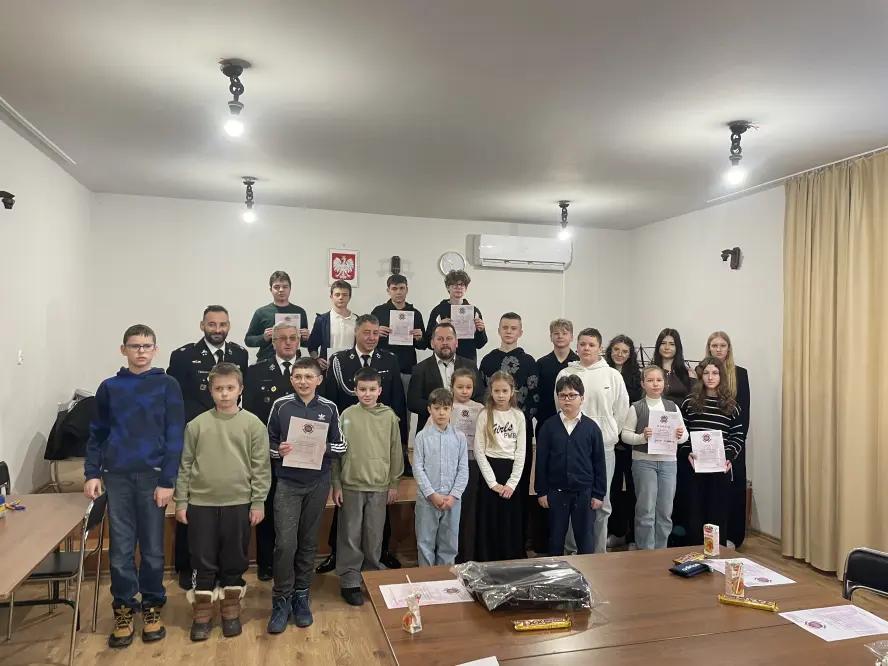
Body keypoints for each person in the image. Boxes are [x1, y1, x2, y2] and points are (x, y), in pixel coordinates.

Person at [83, 324, 184, 649]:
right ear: (123, 349)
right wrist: (92, 473)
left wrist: (168, 480)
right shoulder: (109, 387)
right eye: (134, 345)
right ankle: (124, 608)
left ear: (155, 350)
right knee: (121, 549)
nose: (141, 351)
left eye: (146, 345)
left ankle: (152, 605)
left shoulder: (167, 385)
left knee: (153, 549)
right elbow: (97, 433)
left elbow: (175, 435)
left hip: (153, 478)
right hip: (117, 477)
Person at [173, 363, 271, 641]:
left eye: (230, 388)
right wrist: (181, 502)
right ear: (210, 391)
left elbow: (261, 467)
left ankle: (230, 609)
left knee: (234, 557)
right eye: (219, 389)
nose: (225, 394)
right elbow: (185, 465)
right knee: (202, 557)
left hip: (238, 502)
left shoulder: (253, 424)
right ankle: (202, 612)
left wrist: (258, 502)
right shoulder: (196, 425)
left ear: (240, 389)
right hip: (201, 503)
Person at [316, 314, 405, 575]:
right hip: (349, 449)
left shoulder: (389, 360)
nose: (371, 337)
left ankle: (378, 556)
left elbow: (397, 400)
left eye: (376, 333)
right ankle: (339, 557)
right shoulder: (340, 360)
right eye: (366, 332)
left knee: (376, 523)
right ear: (356, 332)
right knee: (348, 522)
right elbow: (330, 400)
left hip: (378, 452)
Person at [167, 305, 249, 589]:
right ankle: (187, 567)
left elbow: (241, 394)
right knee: (194, 503)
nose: (218, 329)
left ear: (229, 326)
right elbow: (174, 399)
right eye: (212, 324)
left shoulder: (239, 354)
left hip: (228, 433)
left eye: (223, 324)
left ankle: (225, 571)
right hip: (197, 433)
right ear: (202, 326)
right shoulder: (183, 356)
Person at [266, 357, 346, 634]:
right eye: (298, 376)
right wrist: (279, 451)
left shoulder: (329, 407)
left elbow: (341, 445)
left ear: (318, 380)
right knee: (285, 544)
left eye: (308, 376)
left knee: (308, 543)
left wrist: (325, 448)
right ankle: (281, 599)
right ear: (291, 380)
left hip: (317, 483)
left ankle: (301, 596)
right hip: (288, 484)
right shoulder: (281, 405)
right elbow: (268, 442)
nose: (303, 381)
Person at [332, 367, 404, 606]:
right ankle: (349, 579)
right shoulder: (346, 415)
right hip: (351, 484)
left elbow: (395, 450)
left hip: (379, 485)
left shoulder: (389, 416)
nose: (367, 394)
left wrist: (394, 483)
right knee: (350, 534)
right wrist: (337, 483)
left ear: (380, 391)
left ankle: (372, 574)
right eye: (362, 389)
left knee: (374, 534)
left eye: (372, 389)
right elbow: (336, 452)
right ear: (355, 390)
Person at [555, 328, 630, 554]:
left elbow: (621, 410)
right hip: (572, 449)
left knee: (601, 503)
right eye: (583, 344)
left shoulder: (612, 376)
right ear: (576, 347)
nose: (586, 348)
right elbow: (560, 406)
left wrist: (609, 432)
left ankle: (598, 555)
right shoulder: (565, 373)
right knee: (571, 502)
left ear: (600, 348)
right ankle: (572, 553)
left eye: (591, 345)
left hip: (604, 448)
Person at [243, 323, 299, 581]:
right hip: (268, 452)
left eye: (293, 338)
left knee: (295, 511)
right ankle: (266, 562)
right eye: (282, 338)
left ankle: (294, 562)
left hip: (301, 454)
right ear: (273, 342)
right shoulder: (256, 372)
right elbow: (251, 415)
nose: (288, 342)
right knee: (267, 505)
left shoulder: (309, 370)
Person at [478, 312, 538, 545]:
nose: (509, 331)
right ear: (499, 330)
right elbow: (481, 394)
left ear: (520, 332)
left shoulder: (529, 362)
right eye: (505, 327)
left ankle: (517, 539)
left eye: (514, 328)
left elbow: (535, 397)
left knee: (518, 487)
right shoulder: (488, 360)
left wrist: (515, 419)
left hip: (519, 431)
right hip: (492, 432)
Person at [535, 374, 607, 556]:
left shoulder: (592, 428)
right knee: (555, 539)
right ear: (558, 398)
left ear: (581, 399)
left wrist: (598, 493)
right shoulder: (548, 427)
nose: (567, 399)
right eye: (563, 395)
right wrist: (541, 491)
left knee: (585, 539)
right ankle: (556, 572)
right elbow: (541, 461)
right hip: (556, 492)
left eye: (572, 395)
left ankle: (587, 571)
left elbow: (599, 462)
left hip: (584, 493)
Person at [620, 366, 688, 550]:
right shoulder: (636, 407)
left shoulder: (672, 407)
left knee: (665, 511)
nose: (655, 384)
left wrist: (680, 435)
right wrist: (642, 437)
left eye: (659, 380)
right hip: (644, 462)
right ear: (643, 384)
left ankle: (661, 550)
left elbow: (684, 436)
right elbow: (625, 435)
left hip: (668, 463)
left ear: (664, 383)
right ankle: (645, 552)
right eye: (650, 380)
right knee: (646, 509)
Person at [679, 357, 744, 547]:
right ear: (701, 376)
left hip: (719, 467)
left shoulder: (731, 406)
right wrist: (687, 451)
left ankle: (717, 552)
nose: (710, 377)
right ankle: (694, 550)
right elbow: (682, 432)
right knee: (695, 512)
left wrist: (729, 457)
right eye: (706, 373)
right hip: (695, 467)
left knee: (718, 513)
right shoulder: (689, 403)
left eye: (715, 373)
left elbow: (737, 436)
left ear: (721, 376)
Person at [532, 318, 579, 553]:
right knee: (547, 478)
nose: (560, 336)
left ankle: (571, 542)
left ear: (571, 336)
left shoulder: (577, 363)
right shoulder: (542, 363)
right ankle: (545, 541)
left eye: (564, 332)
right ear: (550, 336)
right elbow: (537, 396)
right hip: (547, 426)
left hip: (572, 428)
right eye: (556, 333)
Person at [413, 388, 470, 566]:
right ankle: (426, 577)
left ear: (452, 409)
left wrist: (454, 496)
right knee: (425, 543)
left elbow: (463, 469)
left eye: (445, 408)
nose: (441, 413)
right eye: (437, 408)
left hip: (452, 500)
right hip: (428, 499)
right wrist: (432, 494)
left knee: (449, 544)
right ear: (429, 409)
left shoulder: (460, 438)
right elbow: (418, 468)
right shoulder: (421, 437)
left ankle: (445, 578)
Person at [474, 371, 526, 561]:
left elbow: (521, 452)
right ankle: (489, 558)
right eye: (497, 391)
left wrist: (511, 483)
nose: (501, 395)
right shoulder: (484, 415)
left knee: (508, 520)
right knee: (490, 519)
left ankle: (509, 558)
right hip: (490, 472)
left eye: (505, 391)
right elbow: (479, 450)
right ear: (491, 391)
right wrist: (492, 483)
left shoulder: (518, 416)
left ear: (512, 391)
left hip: (510, 473)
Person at [706, 331, 750, 547]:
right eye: (714, 345)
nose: (718, 349)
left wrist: (735, 446)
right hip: (708, 444)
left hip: (732, 441)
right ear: (709, 348)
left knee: (734, 487)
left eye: (722, 345)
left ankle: (733, 536)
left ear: (728, 348)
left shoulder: (740, 374)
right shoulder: (703, 372)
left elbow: (744, 413)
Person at [605, 334, 643, 549]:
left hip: (630, 440)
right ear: (610, 351)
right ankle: (614, 531)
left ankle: (630, 534)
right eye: (616, 349)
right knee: (611, 487)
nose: (619, 354)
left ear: (630, 355)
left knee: (631, 487)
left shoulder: (636, 378)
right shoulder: (604, 373)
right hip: (610, 438)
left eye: (625, 351)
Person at [408, 322, 482, 432]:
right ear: (432, 343)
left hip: (465, 429)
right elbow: (413, 402)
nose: (445, 343)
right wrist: (440, 409)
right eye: (440, 339)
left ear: (456, 342)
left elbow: (480, 395)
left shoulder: (470, 366)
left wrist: (461, 408)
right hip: (431, 430)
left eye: (449, 338)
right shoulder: (419, 369)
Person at [372, 274, 428, 395]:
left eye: (402, 288)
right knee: (382, 402)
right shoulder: (378, 311)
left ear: (407, 290)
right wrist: (375, 333)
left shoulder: (415, 313)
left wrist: (420, 338)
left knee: (406, 402)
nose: (398, 292)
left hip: (407, 366)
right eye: (394, 288)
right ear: (388, 291)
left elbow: (423, 345)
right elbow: (368, 339)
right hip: (383, 366)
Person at [450, 368, 484, 562]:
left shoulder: (480, 409)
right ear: (452, 387)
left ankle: (468, 555)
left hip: (472, 463)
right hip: (450, 465)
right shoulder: (445, 407)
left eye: (468, 387)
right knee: (452, 510)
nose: (464, 391)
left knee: (469, 510)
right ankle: (449, 555)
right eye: (460, 387)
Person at [244, 270, 310, 361]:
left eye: (285, 287)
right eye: (276, 287)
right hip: (267, 361)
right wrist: (263, 337)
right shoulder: (261, 312)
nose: (281, 290)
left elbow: (304, 344)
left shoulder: (300, 312)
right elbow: (248, 340)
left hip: (293, 362)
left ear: (290, 289)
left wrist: (307, 338)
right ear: (271, 290)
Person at [424, 269, 487, 362]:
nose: (458, 288)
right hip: (444, 360)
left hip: (467, 361)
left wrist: (480, 331)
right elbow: (428, 344)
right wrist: (438, 328)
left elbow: (480, 344)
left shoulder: (474, 311)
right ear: (448, 287)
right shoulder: (438, 310)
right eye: (454, 284)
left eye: (462, 284)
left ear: (466, 288)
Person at [308, 279, 356, 370]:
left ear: (349, 297)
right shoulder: (322, 320)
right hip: (328, 368)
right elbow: (312, 345)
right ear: (331, 297)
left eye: (345, 295)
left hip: (352, 368)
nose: (341, 297)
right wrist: (317, 359)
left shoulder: (358, 320)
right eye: (337, 294)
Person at [652, 328, 696, 405]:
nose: (667, 347)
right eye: (663, 343)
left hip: (682, 411)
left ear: (677, 347)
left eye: (672, 344)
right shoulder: (650, 371)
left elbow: (694, 400)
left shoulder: (688, 373)